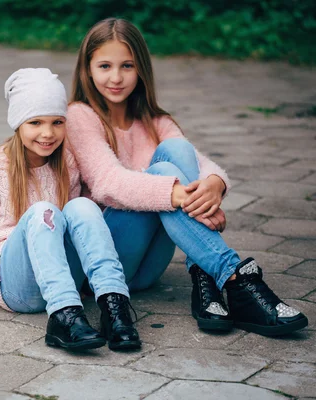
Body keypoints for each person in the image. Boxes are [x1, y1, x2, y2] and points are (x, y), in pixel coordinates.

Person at [66, 18, 308, 337]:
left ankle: (204, 277)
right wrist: (178, 194)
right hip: (105, 266)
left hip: (146, 270)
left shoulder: (155, 121)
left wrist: (214, 185)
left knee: (177, 149)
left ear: (141, 70)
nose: (116, 77)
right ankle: (231, 276)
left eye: (127, 65)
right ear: (87, 69)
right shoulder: (80, 115)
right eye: (105, 66)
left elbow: (201, 163)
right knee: (166, 174)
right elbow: (107, 183)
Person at [0, 68, 140, 351]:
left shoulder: (66, 163)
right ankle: (64, 316)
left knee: (82, 205)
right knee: (42, 211)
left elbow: (75, 229)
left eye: (57, 122)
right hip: (14, 285)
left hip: (58, 278)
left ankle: (114, 307)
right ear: (18, 124)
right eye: (35, 122)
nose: (48, 133)